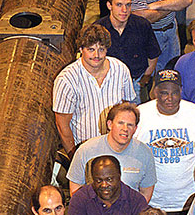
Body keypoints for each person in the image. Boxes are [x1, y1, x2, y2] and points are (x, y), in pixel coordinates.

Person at [135, 69, 195, 215]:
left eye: (174, 93)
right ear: (155, 92)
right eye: (163, 93)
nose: (169, 98)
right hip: (151, 201)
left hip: (190, 201)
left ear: (181, 91)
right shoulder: (141, 114)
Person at [53, 22, 137, 156]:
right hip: (86, 150)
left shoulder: (121, 70)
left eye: (101, 49)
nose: (97, 55)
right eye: (91, 49)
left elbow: (129, 108)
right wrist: (74, 157)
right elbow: (62, 125)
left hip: (118, 148)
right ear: (81, 49)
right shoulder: (67, 79)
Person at [69, 101, 156, 201]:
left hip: (129, 212)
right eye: (120, 123)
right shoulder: (86, 150)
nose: (125, 129)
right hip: (94, 211)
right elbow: (75, 188)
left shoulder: (144, 153)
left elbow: (146, 193)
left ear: (135, 129)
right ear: (110, 124)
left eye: (130, 125)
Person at [66, 155, 147, 215]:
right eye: (99, 180)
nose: (104, 185)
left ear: (119, 176)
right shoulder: (80, 199)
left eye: (109, 179)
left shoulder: (136, 200)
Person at [99, 0, 160, 93]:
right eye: (119, 5)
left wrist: (146, 76)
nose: (124, 10)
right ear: (109, 6)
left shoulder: (142, 25)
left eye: (128, 5)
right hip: (108, 83)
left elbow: (153, 54)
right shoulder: (99, 29)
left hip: (135, 81)